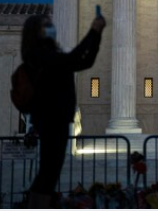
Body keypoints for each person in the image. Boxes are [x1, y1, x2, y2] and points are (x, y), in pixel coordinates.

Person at [22, 14, 106, 208]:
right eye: (46, 26)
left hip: (58, 119)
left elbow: (84, 63)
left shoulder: (49, 54)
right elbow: (72, 58)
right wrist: (93, 31)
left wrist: (97, 36)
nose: (51, 28)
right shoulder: (37, 54)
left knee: (49, 173)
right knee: (47, 174)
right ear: (36, 33)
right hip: (51, 119)